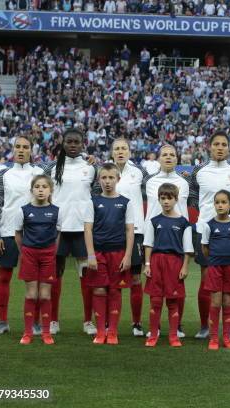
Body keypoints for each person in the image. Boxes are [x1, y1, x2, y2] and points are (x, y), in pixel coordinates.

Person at [189, 131, 230, 340]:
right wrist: (205, 214)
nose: (220, 147)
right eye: (216, 144)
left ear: (229, 148)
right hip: (206, 231)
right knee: (206, 280)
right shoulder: (200, 171)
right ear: (209, 146)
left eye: (224, 144)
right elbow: (192, 196)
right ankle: (205, 326)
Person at [43, 129, 99, 336]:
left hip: (82, 229)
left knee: (86, 277)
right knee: (55, 277)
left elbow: (101, 188)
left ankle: (87, 321)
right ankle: (54, 321)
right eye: (69, 141)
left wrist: (96, 162)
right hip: (58, 229)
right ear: (63, 143)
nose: (73, 145)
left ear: (83, 144)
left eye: (77, 142)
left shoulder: (91, 168)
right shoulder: (51, 167)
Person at [0, 136, 44, 335]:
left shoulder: (40, 172)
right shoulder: (3, 174)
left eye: (25, 147)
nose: (21, 150)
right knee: (4, 276)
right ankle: (2, 322)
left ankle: (36, 323)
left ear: (32, 150)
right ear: (13, 149)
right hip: (7, 232)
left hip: (35, 233)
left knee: (35, 280)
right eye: (18, 147)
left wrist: (88, 159)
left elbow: (62, 166)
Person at [83, 163, 134, 345]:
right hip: (98, 253)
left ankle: (112, 331)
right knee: (98, 289)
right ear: (99, 180)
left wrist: (128, 256)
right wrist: (90, 255)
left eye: (111, 177)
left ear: (118, 179)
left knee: (115, 290)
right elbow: (87, 230)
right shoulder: (93, 202)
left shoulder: (125, 202)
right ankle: (100, 332)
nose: (107, 181)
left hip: (118, 253)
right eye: (104, 177)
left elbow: (129, 231)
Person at [143, 144, 190, 338]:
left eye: (172, 155)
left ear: (177, 159)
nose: (168, 157)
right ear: (158, 159)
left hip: (177, 238)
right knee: (156, 289)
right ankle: (155, 328)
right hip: (155, 238)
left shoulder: (184, 182)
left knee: (176, 287)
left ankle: (176, 326)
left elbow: (185, 211)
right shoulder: (150, 182)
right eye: (165, 155)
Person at [14, 175, 60, 345]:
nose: (41, 190)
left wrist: (53, 252)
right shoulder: (24, 210)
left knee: (45, 295)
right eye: (37, 187)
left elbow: (58, 234)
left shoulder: (56, 211)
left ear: (50, 190)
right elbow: (18, 233)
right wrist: (23, 251)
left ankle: (46, 333)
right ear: (32, 190)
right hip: (29, 254)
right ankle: (28, 333)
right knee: (32, 294)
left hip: (48, 255)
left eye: (44, 187)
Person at [111, 138, 150, 337]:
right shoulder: (106, 172)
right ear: (111, 152)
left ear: (129, 151)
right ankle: (111, 323)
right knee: (112, 279)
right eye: (116, 149)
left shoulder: (139, 172)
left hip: (135, 231)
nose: (120, 152)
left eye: (124, 148)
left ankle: (137, 323)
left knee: (135, 277)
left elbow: (155, 186)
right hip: (112, 233)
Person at [201, 190, 230, 351]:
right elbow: (205, 248)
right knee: (216, 302)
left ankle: (226, 338)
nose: (220, 205)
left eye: (224, 202)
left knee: (228, 302)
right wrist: (214, 260)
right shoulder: (209, 225)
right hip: (215, 267)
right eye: (217, 202)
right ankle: (213, 338)